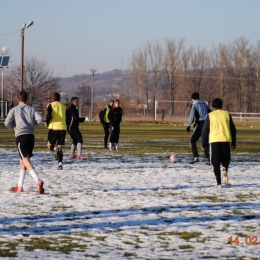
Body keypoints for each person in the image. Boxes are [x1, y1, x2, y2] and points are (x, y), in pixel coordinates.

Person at [4, 91, 44, 194]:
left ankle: (37, 180)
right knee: (23, 161)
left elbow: (7, 123)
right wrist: (32, 125)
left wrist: (14, 127)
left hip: (21, 137)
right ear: (27, 99)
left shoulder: (14, 110)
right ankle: (20, 186)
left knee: (25, 161)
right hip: (31, 137)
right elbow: (40, 119)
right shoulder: (31, 109)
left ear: (18, 99)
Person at [201, 98, 236, 188]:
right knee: (225, 159)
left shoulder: (210, 115)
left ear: (213, 106)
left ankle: (218, 183)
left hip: (214, 141)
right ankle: (224, 169)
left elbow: (204, 131)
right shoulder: (227, 114)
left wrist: (203, 143)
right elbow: (233, 129)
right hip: (226, 140)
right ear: (221, 105)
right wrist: (233, 142)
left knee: (215, 163)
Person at [186, 92, 211, 164]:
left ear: (192, 98)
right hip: (207, 123)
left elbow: (192, 115)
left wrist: (189, 125)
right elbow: (210, 112)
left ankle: (196, 157)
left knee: (192, 141)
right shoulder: (204, 104)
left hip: (199, 124)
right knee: (205, 141)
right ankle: (207, 159)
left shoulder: (194, 105)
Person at [46, 92, 67, 170]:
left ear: (52, 99)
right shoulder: (64, 107)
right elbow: (66, 118)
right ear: (59, 99)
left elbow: (49, 115)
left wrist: (47, 123)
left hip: (53, 127)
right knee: (60, 147)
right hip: (62, 128)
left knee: (49, 146)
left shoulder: (51, 105)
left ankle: (55, 149)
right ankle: (60, 164)